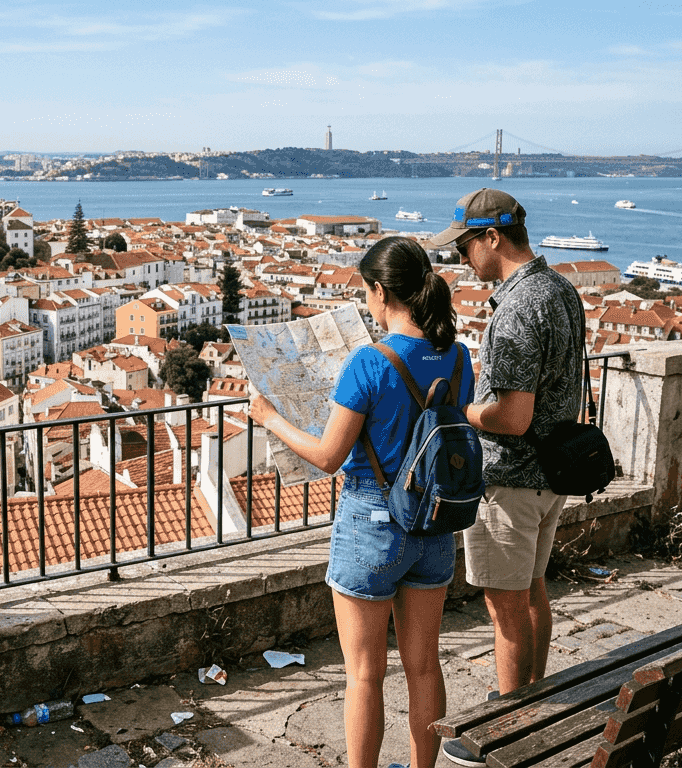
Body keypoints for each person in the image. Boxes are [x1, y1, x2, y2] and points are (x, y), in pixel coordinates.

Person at [250, 236, 473, 768]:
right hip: (435, 521)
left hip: (372, 521)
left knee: (364, 674)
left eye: (366, 293)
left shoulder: (368, 364)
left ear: (379, 292)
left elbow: (328, 456)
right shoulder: (459, 356)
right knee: (425, 666)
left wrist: (270, 418)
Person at [424, 189, 584, 767]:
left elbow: (511, 417)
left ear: (493, 237)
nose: (462, 256)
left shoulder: (516, 307)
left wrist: (454, 408)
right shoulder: (561, 289)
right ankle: (535, 701)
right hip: (551, 475)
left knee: (504, 609)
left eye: (465, 244)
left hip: (511, 479)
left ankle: (508, 730)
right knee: (533, 591)